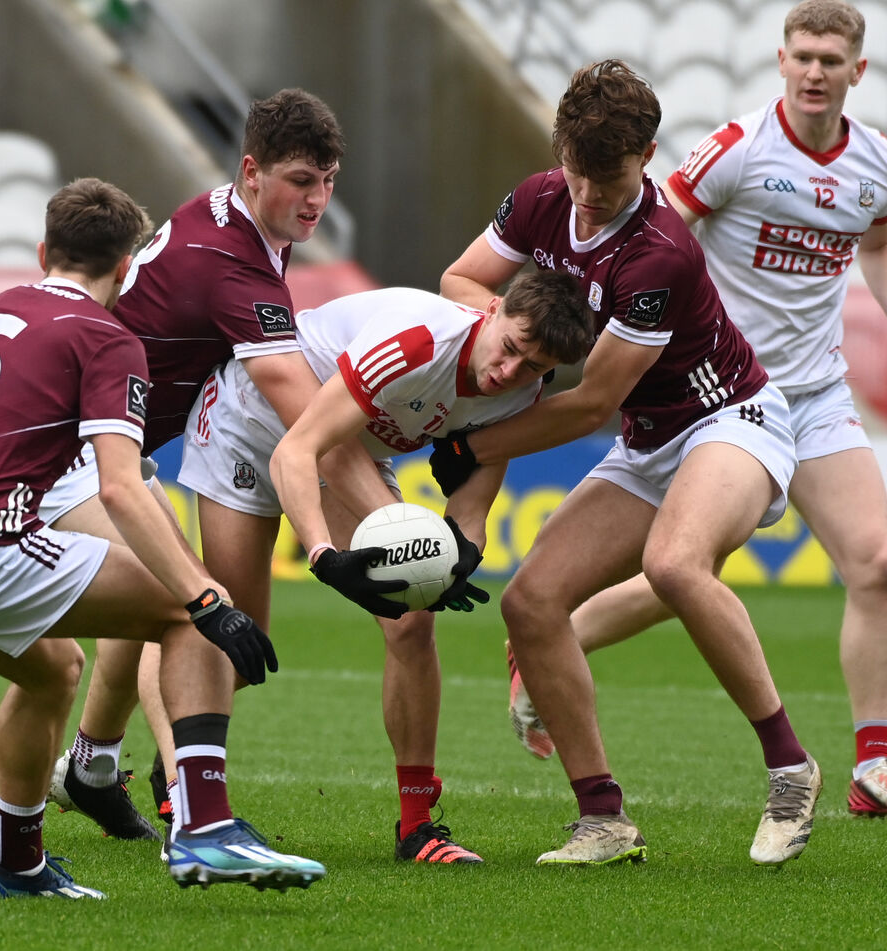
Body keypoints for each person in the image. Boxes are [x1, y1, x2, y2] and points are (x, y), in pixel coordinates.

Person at [501, 0, 887, 821]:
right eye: (802, 55)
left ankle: (872, 765)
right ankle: (551, 645)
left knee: (874, 562)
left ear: (858, 71)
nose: (814, 71)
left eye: (830, 60)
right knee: (685, 571)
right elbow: (659, 233)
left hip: (811, 394)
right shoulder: (737, 152)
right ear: (780, 62)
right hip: (718, 395)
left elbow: (879, 241)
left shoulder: (877, 162)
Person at [0, 177, 322, 899]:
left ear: (42, 251)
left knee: (52, 669)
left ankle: (18, 865)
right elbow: (121, 486)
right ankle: (206, 826)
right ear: (127, 268)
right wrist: (208, 596)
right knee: (189, 614)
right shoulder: (107, 336)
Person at [434, 60, 820, 867]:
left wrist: (469, 443)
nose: (585, 193)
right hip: (650, 442)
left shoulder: (659, 254)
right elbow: (462, 279)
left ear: (647, 154)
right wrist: (515, 336)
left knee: (676, 564)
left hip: (732, 419)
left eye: (605, 175)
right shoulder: (539, 195)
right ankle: (603, 819)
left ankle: (790, 768)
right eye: (575, 169)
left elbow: (587, 401)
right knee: (531, 602)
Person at [35, 89, 384, 843]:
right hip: (69, 455)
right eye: (301, 179)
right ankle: (190, 805)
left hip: (103, 444)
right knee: (195, 609)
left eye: (328, 179)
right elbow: (302, 404)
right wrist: (385, 511)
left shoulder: (234, 216)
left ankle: (92, 768)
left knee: (162, 599)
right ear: (252, 170)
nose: (317, 198)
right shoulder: (231, 261)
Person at [181, 271, 594, 864]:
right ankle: (128, 764)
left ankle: (417, 826)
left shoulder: (519, 394)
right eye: (509, 348)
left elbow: (471, 509)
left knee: (412, 623)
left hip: (347, 447)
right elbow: (298, 449)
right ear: (493, 309)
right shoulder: (419, 343)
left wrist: (456, 560)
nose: (509, 372)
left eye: (532, 368)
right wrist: (323, 556)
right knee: (226, 641)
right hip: (251, 423)